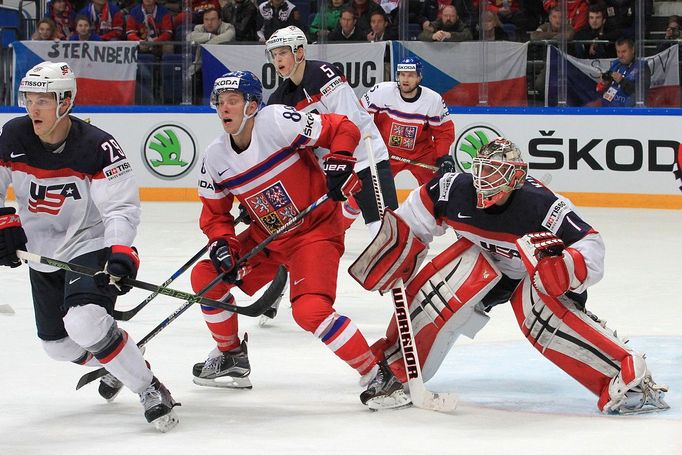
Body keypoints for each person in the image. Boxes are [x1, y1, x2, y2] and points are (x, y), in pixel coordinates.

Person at [357, 137, 670, 414]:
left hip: (533, 276)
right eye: (480, 169)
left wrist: (564, 269)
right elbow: (413, 219)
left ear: (516, 176)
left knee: (545, 321)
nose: (483, 179)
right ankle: (396, 366)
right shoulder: (452, 188)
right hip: (485, 269)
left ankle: (629, 380)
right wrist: (397, 247)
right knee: (441, 287)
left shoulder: (541, 205)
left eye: (494, 173)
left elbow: (590, 244)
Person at [189, 70, 407, 410]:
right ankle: (231, 355)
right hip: (269, 238)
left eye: (232, 101)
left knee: (309, 310)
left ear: (252, 105)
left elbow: (344, 128)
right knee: (206, 277)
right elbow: (216, 216)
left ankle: (378, 375)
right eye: (219, 102)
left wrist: (339, 160)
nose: (223, 109)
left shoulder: (276, 121)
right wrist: (223, 245)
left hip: (315, 231)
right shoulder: (215, 157)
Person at [0, 61, 178, 432]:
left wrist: (119, 251)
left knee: (84, 321)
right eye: (29, 99)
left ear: (65, 102)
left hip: (88, 243)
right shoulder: (12, 135)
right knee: (58, 347)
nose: (33, 108)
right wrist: (4, 219)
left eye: (43, 100)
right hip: (41, 252)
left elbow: (121, 207)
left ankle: (149, 387)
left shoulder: (97, 146)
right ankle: (121, 353)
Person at [266, 25, 399, 232]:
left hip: (365, 157)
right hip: (328, 171)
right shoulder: (279, 99)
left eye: (283, 52)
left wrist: (338, 162)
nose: (277, 60)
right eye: (274, 55)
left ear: (299, 51)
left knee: (385, 228)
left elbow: (349, 123)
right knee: (307, 234)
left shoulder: (323, 74)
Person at [360, 56, 455, 186]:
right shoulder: (381, 91)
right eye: (402, 75)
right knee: (370, 189)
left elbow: (444, 132)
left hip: (421, 154)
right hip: (386, 152)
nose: (405, 79)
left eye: (410, 75)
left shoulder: (433, 100)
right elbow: (359, 113)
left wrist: (443, 157)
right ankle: (353, 207)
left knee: (435, 189)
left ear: (419, 77)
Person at [596, 37, 651, 107]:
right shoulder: (615, 64)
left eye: (624, 51)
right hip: (608, 109)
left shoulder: (642, 67)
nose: (620, 55)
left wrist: (622, 81)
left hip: (628, 112)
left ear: (632, 50)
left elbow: (641, 93)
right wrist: (603, 84)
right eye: (618, 52)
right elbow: (603, 90)